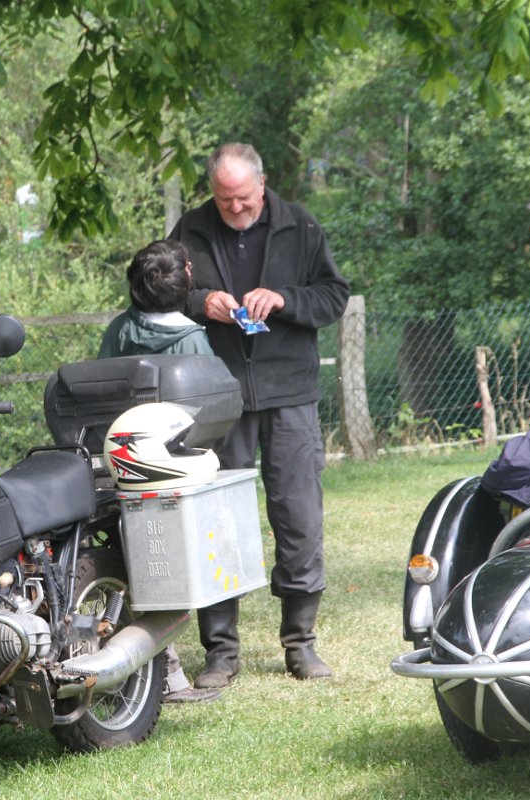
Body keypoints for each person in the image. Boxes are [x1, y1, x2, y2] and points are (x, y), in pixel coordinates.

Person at [170, 143, 351, 684]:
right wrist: (202, 302)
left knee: (298, 515)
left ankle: (301, 644)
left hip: (290, 392)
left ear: (263, 184)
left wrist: (287, 299)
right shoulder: (191, 228)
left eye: (243, 198)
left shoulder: (301, 225)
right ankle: (221, 652)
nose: (235, 209)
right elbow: (164, 293)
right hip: (218, 395)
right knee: (217, 520)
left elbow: (334, 296)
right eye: (224, 200)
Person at [99, 238, 220, 703]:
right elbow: (207, 412)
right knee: (170, 570)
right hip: (172, 472)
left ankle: (159, 669)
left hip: (123, 465)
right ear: (186, 279)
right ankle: (167, 673)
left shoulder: (119, 331)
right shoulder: (192, 339)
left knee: (136, 563)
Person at [98, 239, 212, 358]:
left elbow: (101, 374)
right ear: (181, 284)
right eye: (186, 267)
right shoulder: (193, 341)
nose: (189, 272)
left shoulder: (119, 327)